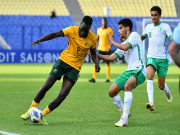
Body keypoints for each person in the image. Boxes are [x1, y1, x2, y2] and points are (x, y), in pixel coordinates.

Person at [20, 16, 100, 125]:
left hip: (75, 68)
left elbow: (94, 53)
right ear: (80, 24)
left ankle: (42, 114)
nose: (82, 32)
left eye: (84, 30)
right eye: (81, 29)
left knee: (63, 95)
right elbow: (55, 34)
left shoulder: (92, 38)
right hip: (63, 61)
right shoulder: (72, 30)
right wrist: (40, 39)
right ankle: (29, 110)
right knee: (46, 86)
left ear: (89, 28)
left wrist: (96, 63)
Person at [97, 18, 146, 127]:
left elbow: (125, 47)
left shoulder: (134, 35)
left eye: (120, 28)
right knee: (112, 92)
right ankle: (125, 111)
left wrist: (113, 42)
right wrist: (95, 55)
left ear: (127, 28)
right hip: (129, 70)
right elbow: (110, 57)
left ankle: (124, 119)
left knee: (127, 86)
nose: (118, 31)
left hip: (139, 69)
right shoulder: (124, 43)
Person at [141, 6, 173, 111]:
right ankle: (151, 103)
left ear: (160, 16)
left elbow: (171, 38)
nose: (153, 17)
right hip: (151, 57)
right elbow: (140, 38)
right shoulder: (148, 27)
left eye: (155, 15)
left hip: (162, 59)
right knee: (149, 76)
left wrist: (174, 45)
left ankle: (167, 90)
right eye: (152, 15)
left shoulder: (165, 26)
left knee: (161, 85)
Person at [89, 17, 113, 83]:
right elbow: (98, 38)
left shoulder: (109, 30)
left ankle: (108, 79)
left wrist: (109, 47)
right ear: (101, 22)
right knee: (96, 62)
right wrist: (92, 43)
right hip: (100, 49)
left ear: (106, 22)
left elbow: (112, 40)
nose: (104, 22)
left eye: (105, 21)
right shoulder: (99, 30)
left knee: (107, 63)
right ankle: (93, 78)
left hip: (106, 49)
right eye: (103, 21)